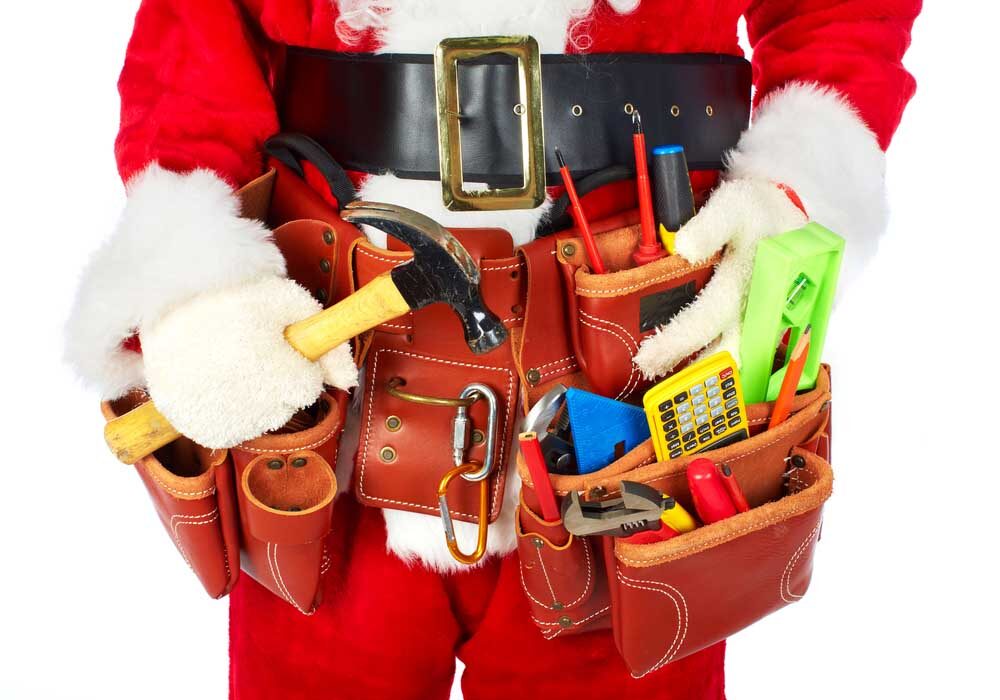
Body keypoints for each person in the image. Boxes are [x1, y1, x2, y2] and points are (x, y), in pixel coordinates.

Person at [66, 1, 919, 698]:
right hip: (327, 428)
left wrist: (793, 191)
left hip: (634, 419)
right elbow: (193, 39)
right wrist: (197, 280)